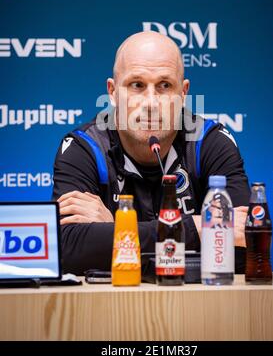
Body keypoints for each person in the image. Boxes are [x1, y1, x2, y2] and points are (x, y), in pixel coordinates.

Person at [52, 31, 249, 275]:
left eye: (165, 86)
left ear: (183, 93)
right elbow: (67, 249)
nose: (151, 103)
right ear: (112, 92)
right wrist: (197, 229)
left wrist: (119, 231)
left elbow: (242, 249)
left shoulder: (210, 142)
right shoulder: (84, 147)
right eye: (137, 85)